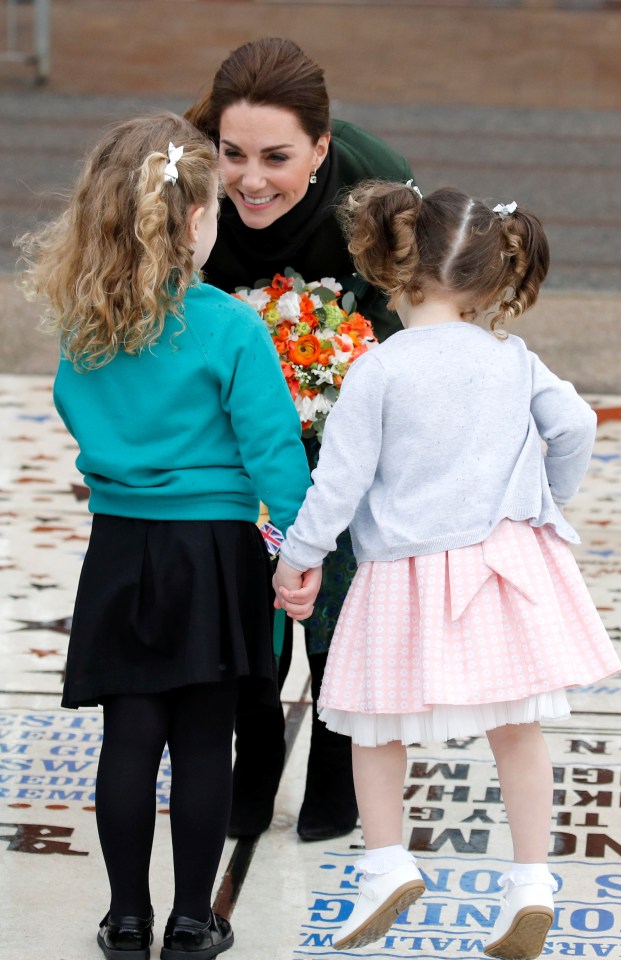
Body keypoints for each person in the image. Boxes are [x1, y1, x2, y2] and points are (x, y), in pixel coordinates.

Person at [272, 181, 621, 958]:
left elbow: (341, 481)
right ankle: (531, 883)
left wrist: (298, 558)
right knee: (517, 729)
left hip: (405, 575)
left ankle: (387, 864)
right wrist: (541, 500)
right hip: (506, 564)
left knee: (375, 724)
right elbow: (570, 426)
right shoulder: (511, 357)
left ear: (398, 270)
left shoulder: (381, 369)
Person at [17, 112, 312, 960]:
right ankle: (193, 918)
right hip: (215, 554)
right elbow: (273, 452)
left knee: (128, 740)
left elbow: (77, 412)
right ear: (193, 221)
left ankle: (125, 918)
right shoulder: (228, 326)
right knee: (204, 741)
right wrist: (299, 549)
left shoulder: (86, 320)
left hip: (119, 548)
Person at [185, 36, 415, 843]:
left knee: (334, 596)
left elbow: (408, 325)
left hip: (345, 408)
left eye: (276, 157)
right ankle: (250, 766)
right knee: (244, 598)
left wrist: (337, 388)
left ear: (321, 147)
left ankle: (333, 759)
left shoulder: (377, 186)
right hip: (226, 415)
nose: (249, 180)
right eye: (232, 153)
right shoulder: (185, 181)